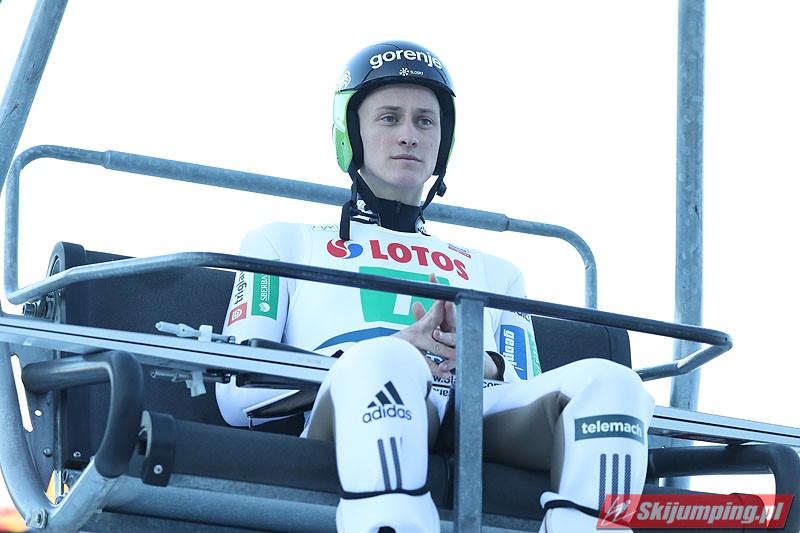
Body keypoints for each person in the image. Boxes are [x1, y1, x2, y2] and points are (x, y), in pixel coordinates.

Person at [216, 40, 655, 533]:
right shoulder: (282, 243)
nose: (409, 135)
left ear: (443, 141)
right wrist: (391, 348)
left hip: (474, 407)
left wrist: (482, 362)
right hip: (363, 401)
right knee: (389, 360)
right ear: (351, 133)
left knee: (615, 385)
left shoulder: (496, 271)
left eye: (425, 121)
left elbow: (527, 388)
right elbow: (237, 395)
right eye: (389, 118)